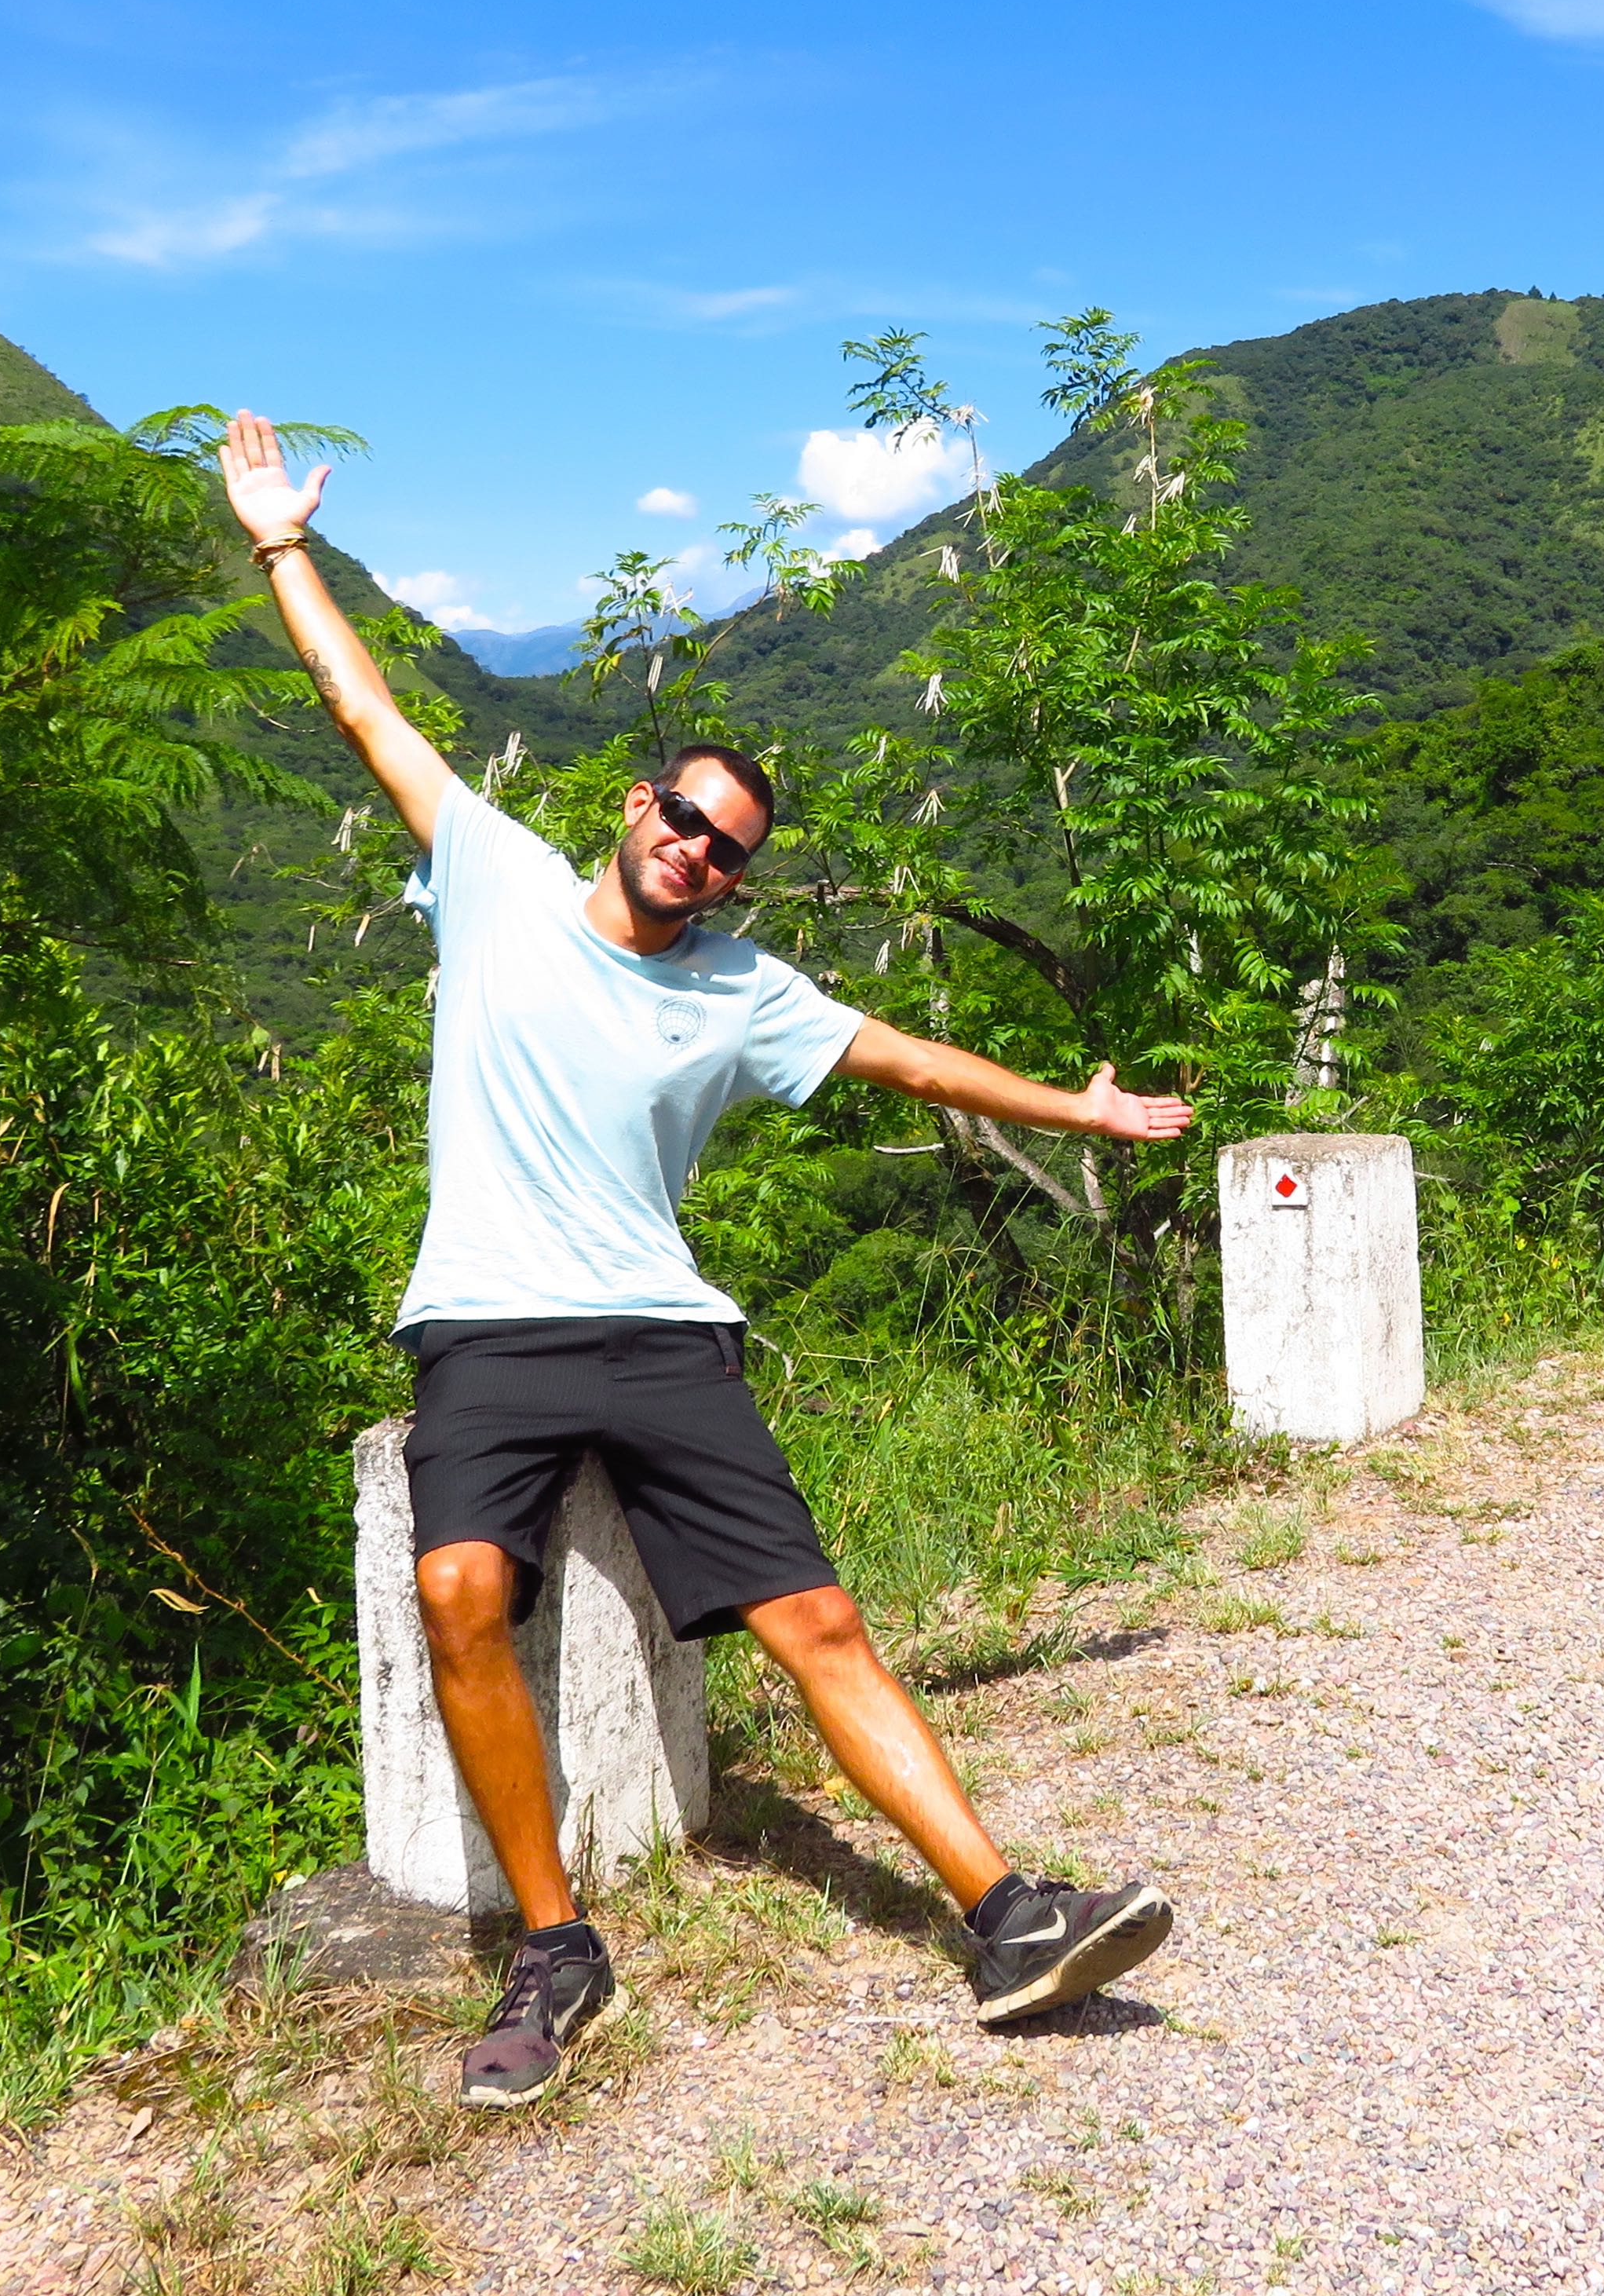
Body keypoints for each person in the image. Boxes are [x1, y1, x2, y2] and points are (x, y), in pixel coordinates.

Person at [219, 411, 1187, 2108]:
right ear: (634, 804)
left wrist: (1082, 1111)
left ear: (738, 875)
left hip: (663, 1330)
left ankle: (1008, 1914)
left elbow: (908, 1061)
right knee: (458, 1592)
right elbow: (364, 709)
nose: (697, 848)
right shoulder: (496, 878)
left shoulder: (742, 989)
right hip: (489, 1327)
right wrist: (281, 548)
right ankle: (554, 1947)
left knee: (817, 1615)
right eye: (683, 815)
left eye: (727, 844)